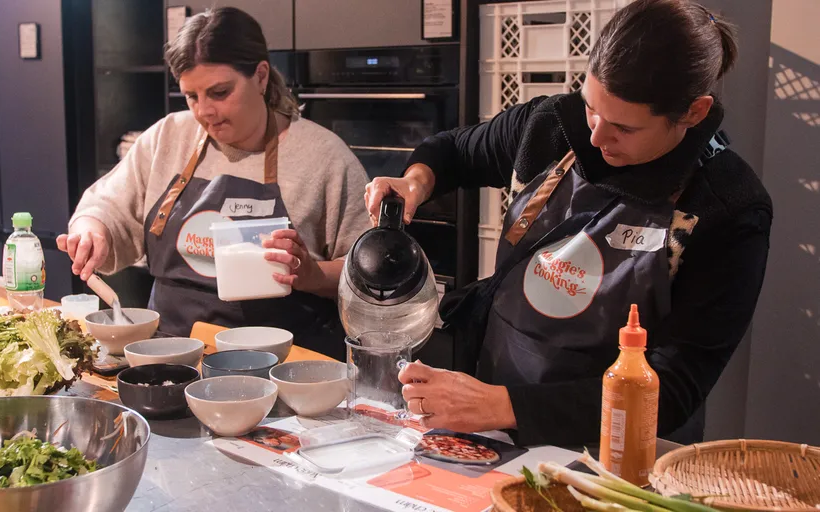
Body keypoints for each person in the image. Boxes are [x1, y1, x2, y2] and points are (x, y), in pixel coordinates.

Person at [365, 0, 772, 446]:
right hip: (493, 409)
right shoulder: (552, 127)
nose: (596, 137)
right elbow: (453, 151)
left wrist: (501, 406)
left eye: (624, 128)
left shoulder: (727, 206)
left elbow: (674, 388)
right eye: (591, 106)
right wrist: (414, 183)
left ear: (693, 113)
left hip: (617, 452)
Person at [58, 8, 371, 360]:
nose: (204, 111)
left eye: (220, 92)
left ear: (261, 76)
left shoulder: (322, 157)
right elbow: (105, 206)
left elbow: (370, 272)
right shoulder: (168, 137)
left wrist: (312, 274)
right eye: (192, 96)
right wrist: (92, 231)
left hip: (280, 368)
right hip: (170, 358)